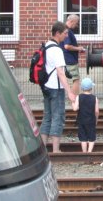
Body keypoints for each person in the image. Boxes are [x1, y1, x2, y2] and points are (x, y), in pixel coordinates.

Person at [40, 21, 76, 153]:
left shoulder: (47, 46)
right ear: (57, 33)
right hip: (56, 88)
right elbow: (60, 72)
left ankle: (43, 148)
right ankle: (55, 150)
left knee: (47, 116)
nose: (66, 36)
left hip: (46, 86)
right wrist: (69, 92)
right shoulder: (57, 50)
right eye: (65, 33)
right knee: (58, 117)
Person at [73, 77, 99, 152]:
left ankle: (84, 153)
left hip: (81, 121)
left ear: (82, 88)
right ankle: (89, 152)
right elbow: (96, 111)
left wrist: (72, 102)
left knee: (83, 138)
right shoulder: (95, 98)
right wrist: (96, 120)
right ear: (91, 88)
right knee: (91, 138)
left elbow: (75, 109)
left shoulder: (79, 97)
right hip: (91, 121)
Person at [62, 14, 84, 96]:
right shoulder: (67, 31)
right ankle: (74, 100)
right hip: (70, 60)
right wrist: (79, 48)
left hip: (66, 59)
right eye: (76, 22)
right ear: (71, 21)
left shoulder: (63, 30)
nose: (77, 25)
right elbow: (67, 46)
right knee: (76, 80)